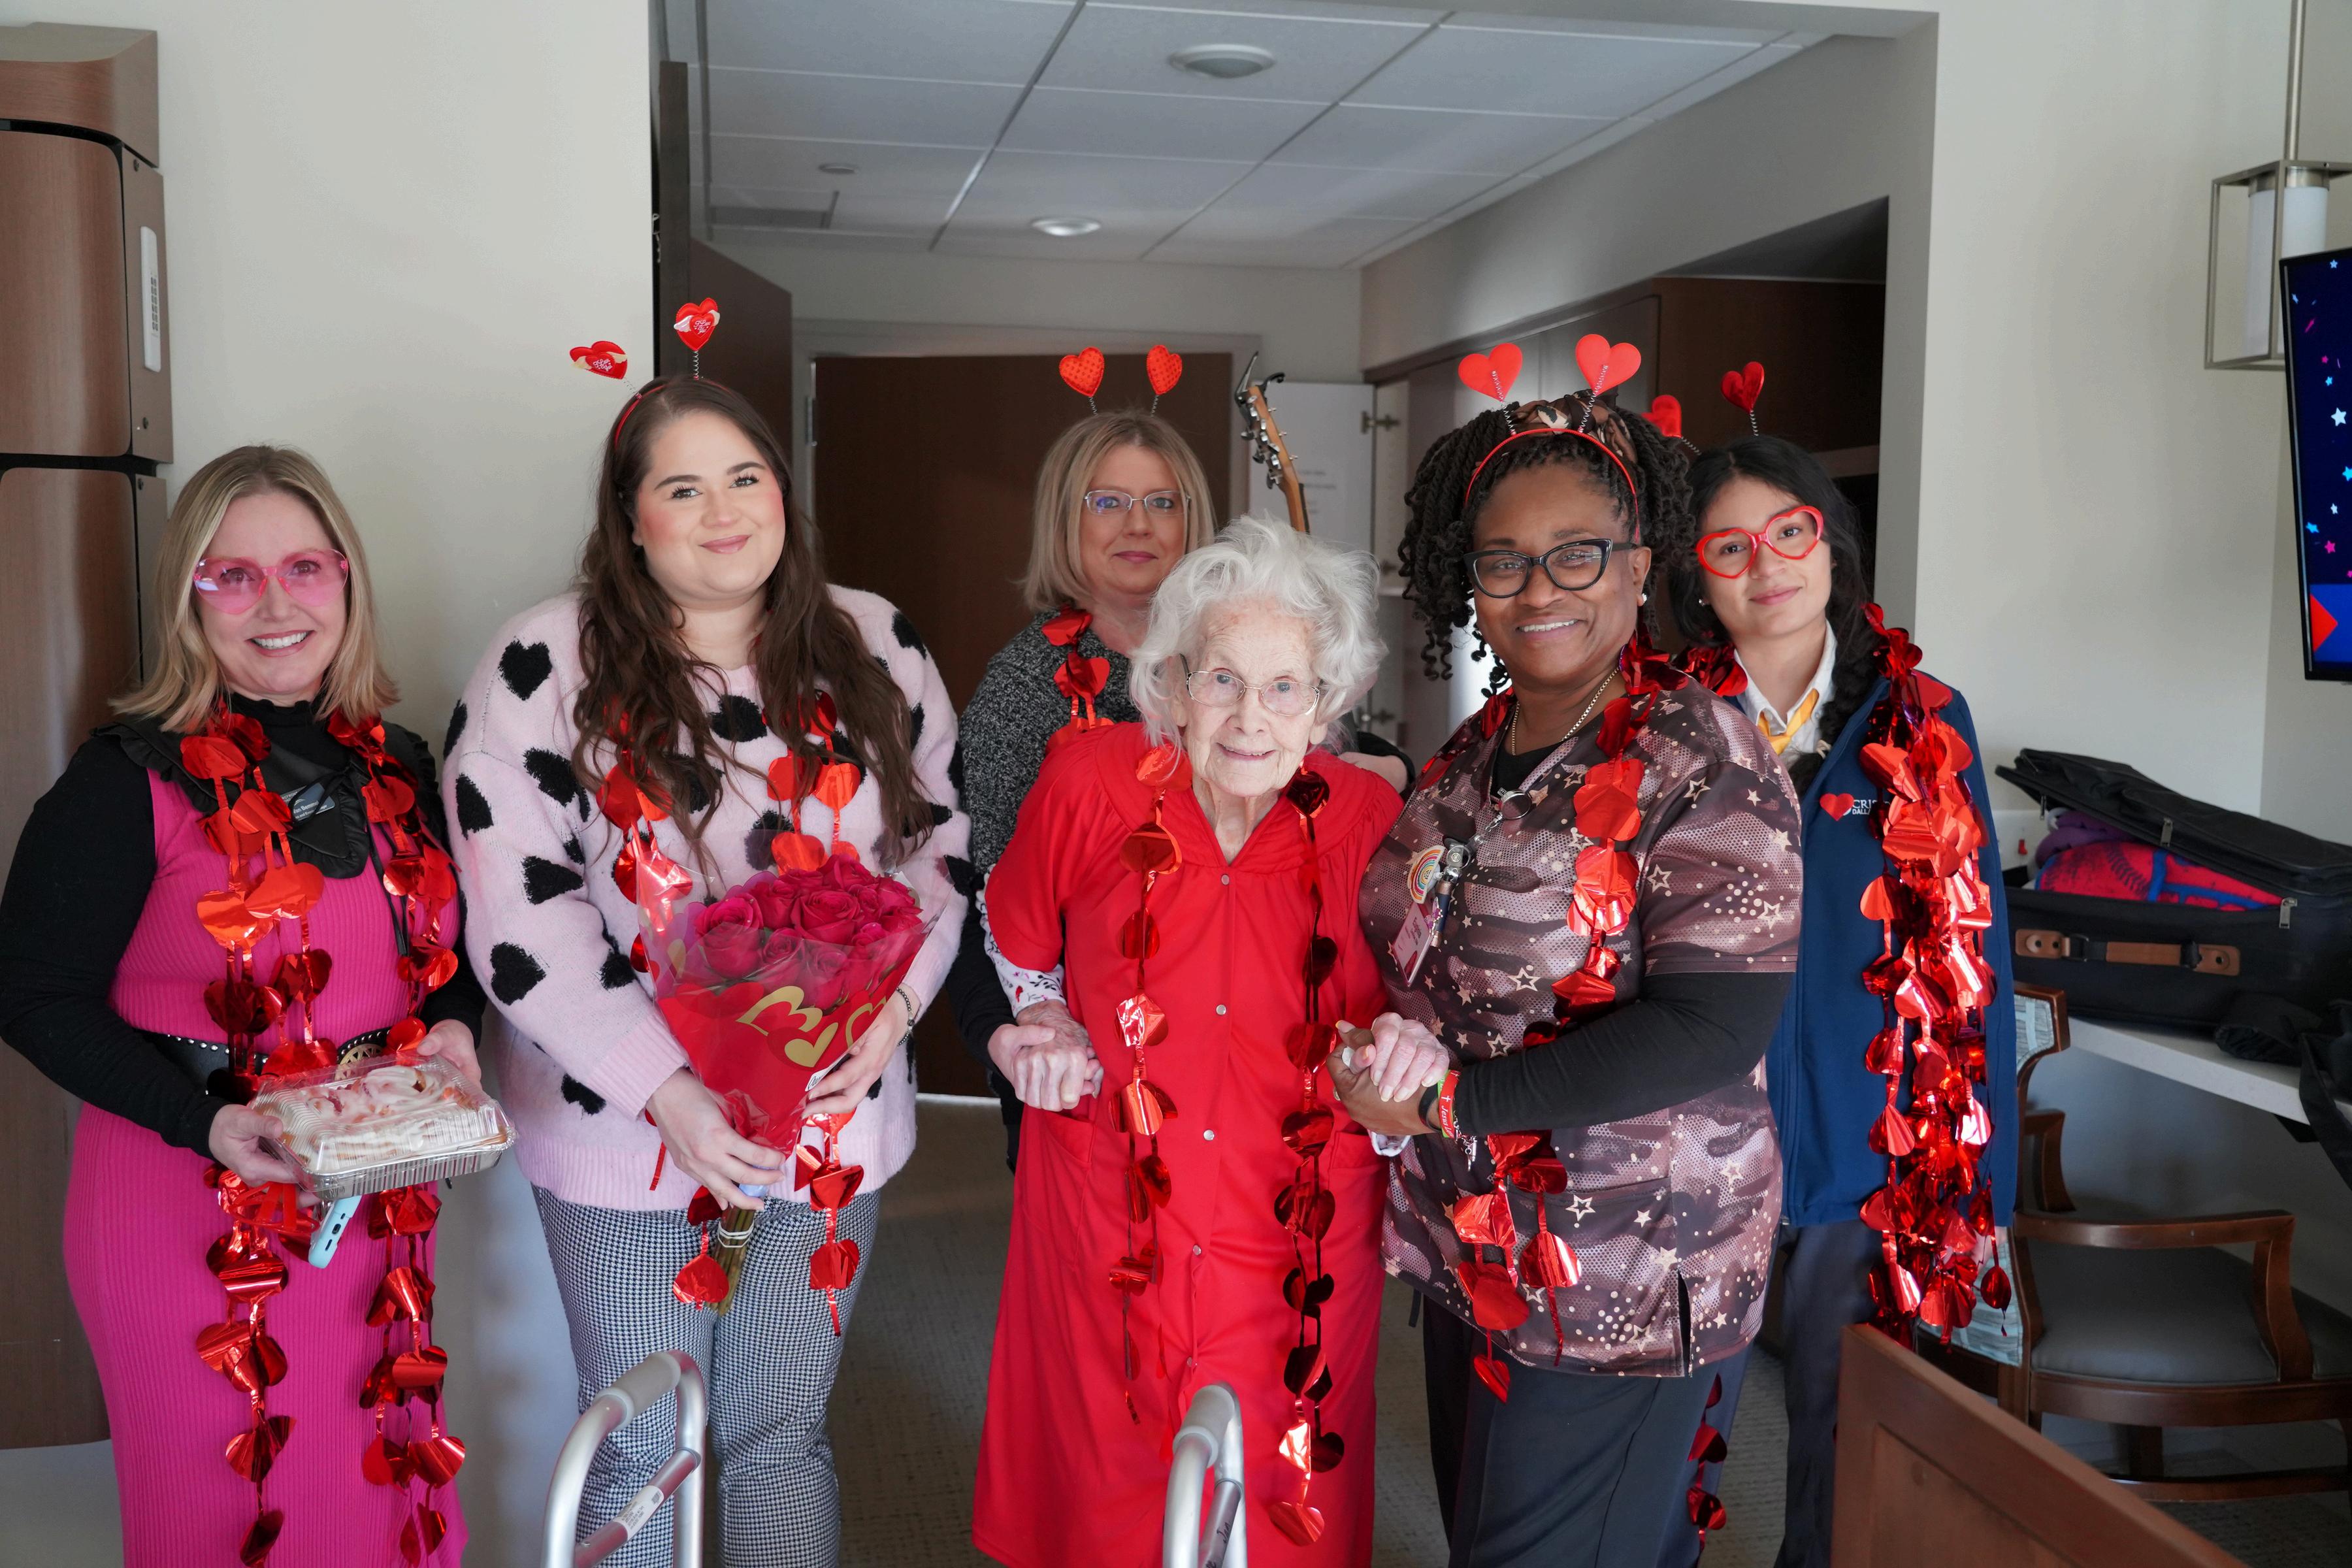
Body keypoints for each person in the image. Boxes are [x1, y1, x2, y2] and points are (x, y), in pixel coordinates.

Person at [444, 376, 966, 1567]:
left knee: (783, 1435)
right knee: (639, 1445)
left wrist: (895, 1012)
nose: (724, 513)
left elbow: (937, 849)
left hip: (828, 1125)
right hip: (630, 1133)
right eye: (682, 489)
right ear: (629, 519)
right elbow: (520, 912)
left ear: (783, 493)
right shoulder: (542, 664)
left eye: (746, 478)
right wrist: (665, 1088)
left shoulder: (877, 642)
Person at [0, 446, 485, 1566]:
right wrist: (207, 1121)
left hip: (365, 1206)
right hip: (182, 1205)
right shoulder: (124, 779)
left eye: (305, 568)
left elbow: (444, 957)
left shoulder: (398, 765)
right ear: (189, 597)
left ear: (347, 580)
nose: (276, 605)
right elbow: (30, 993)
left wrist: (458, 1026)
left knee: (380, 1498)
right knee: (223, 1519)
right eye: (233, 576)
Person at [1348, 385, 1803, 1568]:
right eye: (1503, 562)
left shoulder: (1700, 756)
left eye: (1576, 553)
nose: (1539, 588)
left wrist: (1448, 1104)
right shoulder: (1473, 752)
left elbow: (1711, 1026)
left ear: (1640, 563)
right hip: (1476, 1245)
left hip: (1626, 1270)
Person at [971, 518, 1446, 1567]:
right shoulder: (1088, 783)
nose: (1249, 718)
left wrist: (1404, 1047)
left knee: (1280, 1495)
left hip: (1297, 1227)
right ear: (1173, 682)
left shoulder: (1372, 820)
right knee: (1107, 1485)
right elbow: (1015, 941)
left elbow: (1415, 1008)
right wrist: (1042, 1019)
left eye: (1285, 688)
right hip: (1111, 1206)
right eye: (1221, 678)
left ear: (1326, 702)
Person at [1652, 436, 2017, 1568]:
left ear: (1831, 542)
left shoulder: (1924, 720)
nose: (1767, 565)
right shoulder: (1660, 726)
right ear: (1699, 577)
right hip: (1695, 1143)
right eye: (1730, 547)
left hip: (1872, 1145)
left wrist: (1985, 1179)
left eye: (1790, 532)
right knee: (1670, 1428)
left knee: (1848, 1428)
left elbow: (1976, 957)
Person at [947, 410, 1405, 1167]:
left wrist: (1390, 770)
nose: (1139, 524)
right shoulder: (1021, 690)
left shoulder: (1262, 632)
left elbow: (1324, 760)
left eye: (1162, 502)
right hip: (1086, 1050)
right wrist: (1027, 1036)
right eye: (1108, 501)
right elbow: (995, 899)